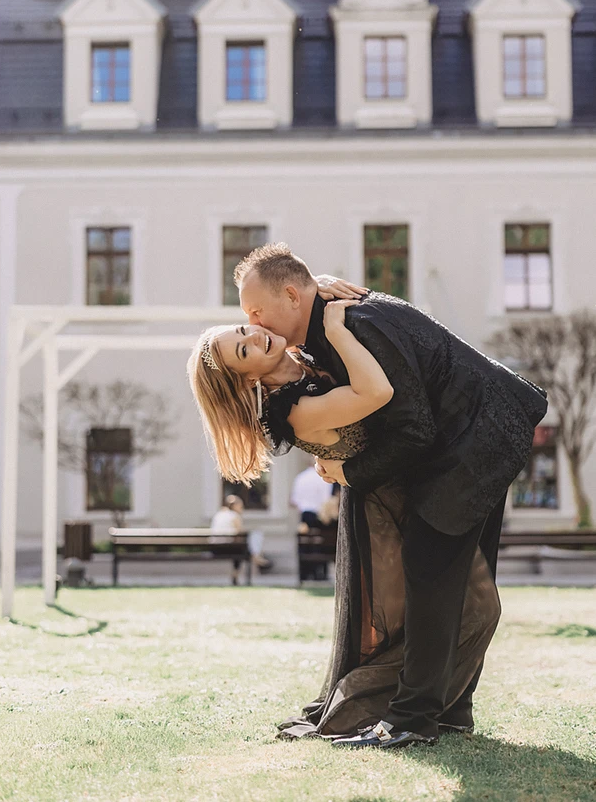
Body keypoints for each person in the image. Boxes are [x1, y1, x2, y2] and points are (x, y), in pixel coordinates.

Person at [232, 242, 547, 749]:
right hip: (480, 432)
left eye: (254, 311)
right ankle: (450, 710)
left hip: (476, 437)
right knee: (465, 581)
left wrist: (347, 471)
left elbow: (413, 429)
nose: (251, 320)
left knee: (431, 571)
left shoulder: (353, 324)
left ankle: (412, 719)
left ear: (291, 295)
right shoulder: (328, 324)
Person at [188, 292, 508, 745]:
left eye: (243, 330)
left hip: (410, 487)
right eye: (244, 350)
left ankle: (445, 709)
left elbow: (294, 295)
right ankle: (395, 709)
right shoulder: (292, 408)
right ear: (246, 382)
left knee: (460, 608)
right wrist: (336, 328)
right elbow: (376, 393)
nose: (255, 336)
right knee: (468, 610)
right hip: (385, 508)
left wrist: (318, 285)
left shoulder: (302, 360)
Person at [210, 494, 274, 579]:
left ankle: (255, 557)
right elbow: (239, 534)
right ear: (235, 506)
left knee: (241, 549)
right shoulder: (235, 516)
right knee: (244, 547)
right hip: (228, 548)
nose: (242, 509)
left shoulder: (219, 514)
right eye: (241, 506)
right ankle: (256, 558)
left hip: (215, 548)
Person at [291, 464, 334, 529]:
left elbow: (294, 501)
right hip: (321, 516)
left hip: (305, 516)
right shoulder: (324, 478)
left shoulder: (300, 477)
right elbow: (327, 498)